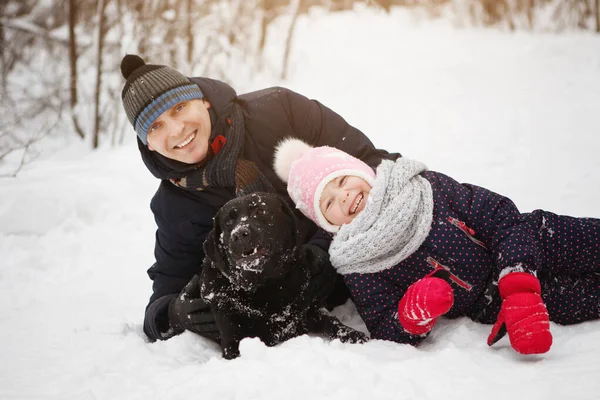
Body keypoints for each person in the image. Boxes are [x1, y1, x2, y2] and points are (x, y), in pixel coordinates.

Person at [119, 54, 400, 342]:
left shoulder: (279, 111)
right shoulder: (174, 205)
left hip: (366, 265)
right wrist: (175, 313)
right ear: (148, 144)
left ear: (202, 99)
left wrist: (325, 250)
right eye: (155, 126)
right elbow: (165, 293)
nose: (176, 130)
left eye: (179, 108)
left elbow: (373, 165)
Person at [273, 138, 600, 355]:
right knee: (581, 302)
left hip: (533, 238)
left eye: (343, 180)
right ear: (326, 223)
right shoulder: (357, 263)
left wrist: (518, 281)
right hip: (489, 303)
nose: (343, 195)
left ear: (361, 171)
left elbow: (496, 212)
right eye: (328, 201)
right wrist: (412, 313)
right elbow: (384, 323)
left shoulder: (424, 187)